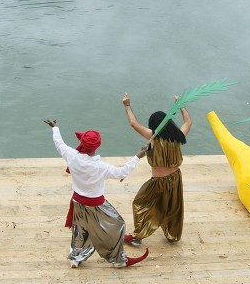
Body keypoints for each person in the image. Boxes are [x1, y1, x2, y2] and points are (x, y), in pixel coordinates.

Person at [44, 118, 150, 268]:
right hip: (96, 204)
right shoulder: (101, 167)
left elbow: (59, 144)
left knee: (80, 230)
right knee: (118, 224)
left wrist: (55, 128)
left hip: (78, 202)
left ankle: (76, 258)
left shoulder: (72, 156)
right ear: (97, 146)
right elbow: (121, 172)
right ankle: (118, 259)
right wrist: (137, 157)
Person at [122, 93, 191, 246]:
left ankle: (138, 236)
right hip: (175, 179)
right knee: (173, 208)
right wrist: (181, 105)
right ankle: (172, 235)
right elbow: (188, 122)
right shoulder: (179, 136)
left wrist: (127, 105)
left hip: (158, 182)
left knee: (140, 203)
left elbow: (134, 124)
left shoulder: (153, 137)